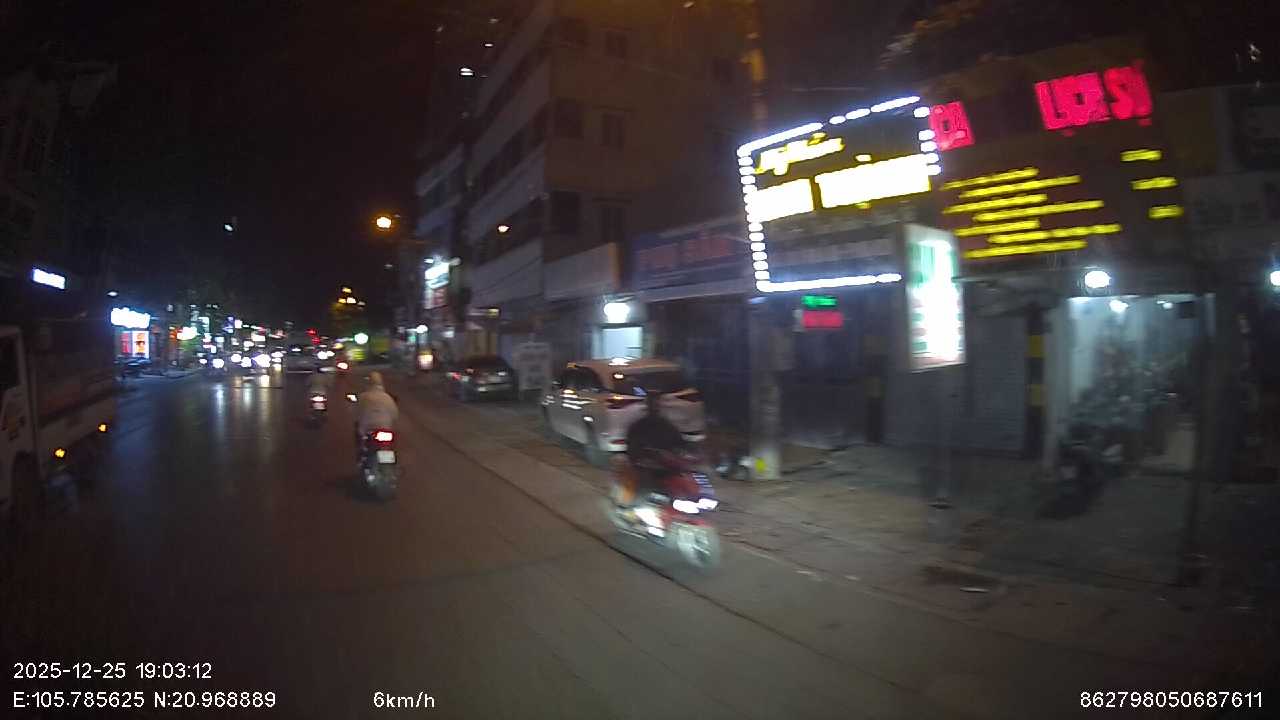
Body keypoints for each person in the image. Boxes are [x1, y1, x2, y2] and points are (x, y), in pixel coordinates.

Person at [616, 391, 685, 507]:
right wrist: (644, 458)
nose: (655, 406)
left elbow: (680, 444)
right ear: (647, 405)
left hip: (667, 468)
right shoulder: (638, 427)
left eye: (657, 403)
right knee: (638, 495)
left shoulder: (668, 426)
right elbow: (632, 451)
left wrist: (684, 453)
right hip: (645, 471)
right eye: (652, 403)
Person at [356, 371, 399, 439]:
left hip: (366, 428)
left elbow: (356, 411)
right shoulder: (387, 397)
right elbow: (395, 414)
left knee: (360, 437)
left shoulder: (363, 396)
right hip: (385, 428)